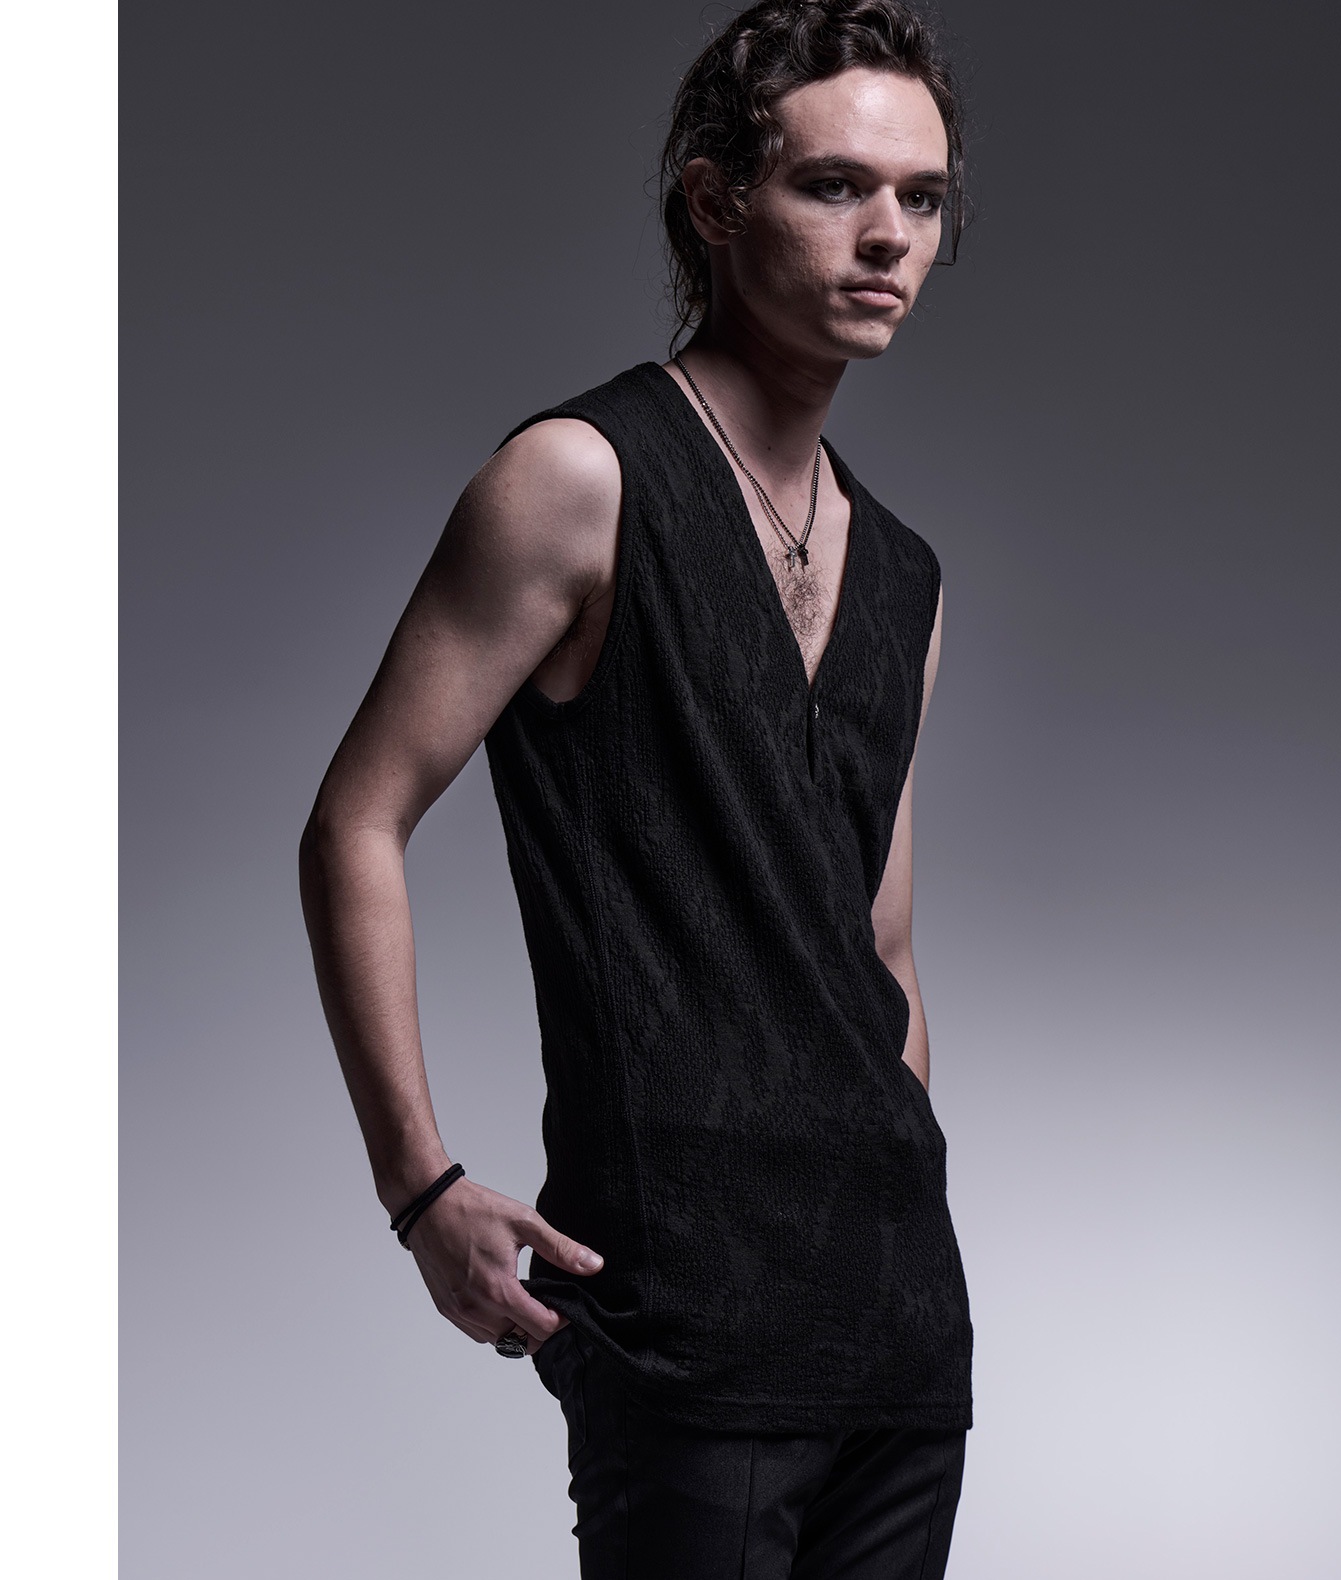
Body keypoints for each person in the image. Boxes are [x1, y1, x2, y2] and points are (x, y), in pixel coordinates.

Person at [299, 2, 974, 1573]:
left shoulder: (909, 577)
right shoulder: (579, 482)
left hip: (900, 1333)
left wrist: (903, 1211)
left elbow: (883, 953)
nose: (888, 235)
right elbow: (355, 821)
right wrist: (419, 1185)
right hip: (684, 1325)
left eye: (923, 197)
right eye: (835, 185)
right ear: (715, 200)